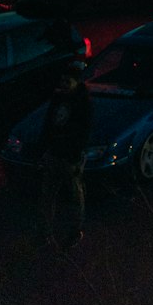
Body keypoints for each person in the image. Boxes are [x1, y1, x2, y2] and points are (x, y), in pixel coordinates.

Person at [39, 60, 91, 250]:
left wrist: (74, 156)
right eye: (62, 80)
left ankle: (75, 231)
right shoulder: (58, 98)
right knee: (48, 195)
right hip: (54, 155)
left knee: (75, 196)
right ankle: (45, 231)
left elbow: (83, 132)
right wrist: (44, 149)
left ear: (76, 82)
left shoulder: (82, 103)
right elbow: (48, 125)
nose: (63, 84)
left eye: (67, 81)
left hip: (70, 159)